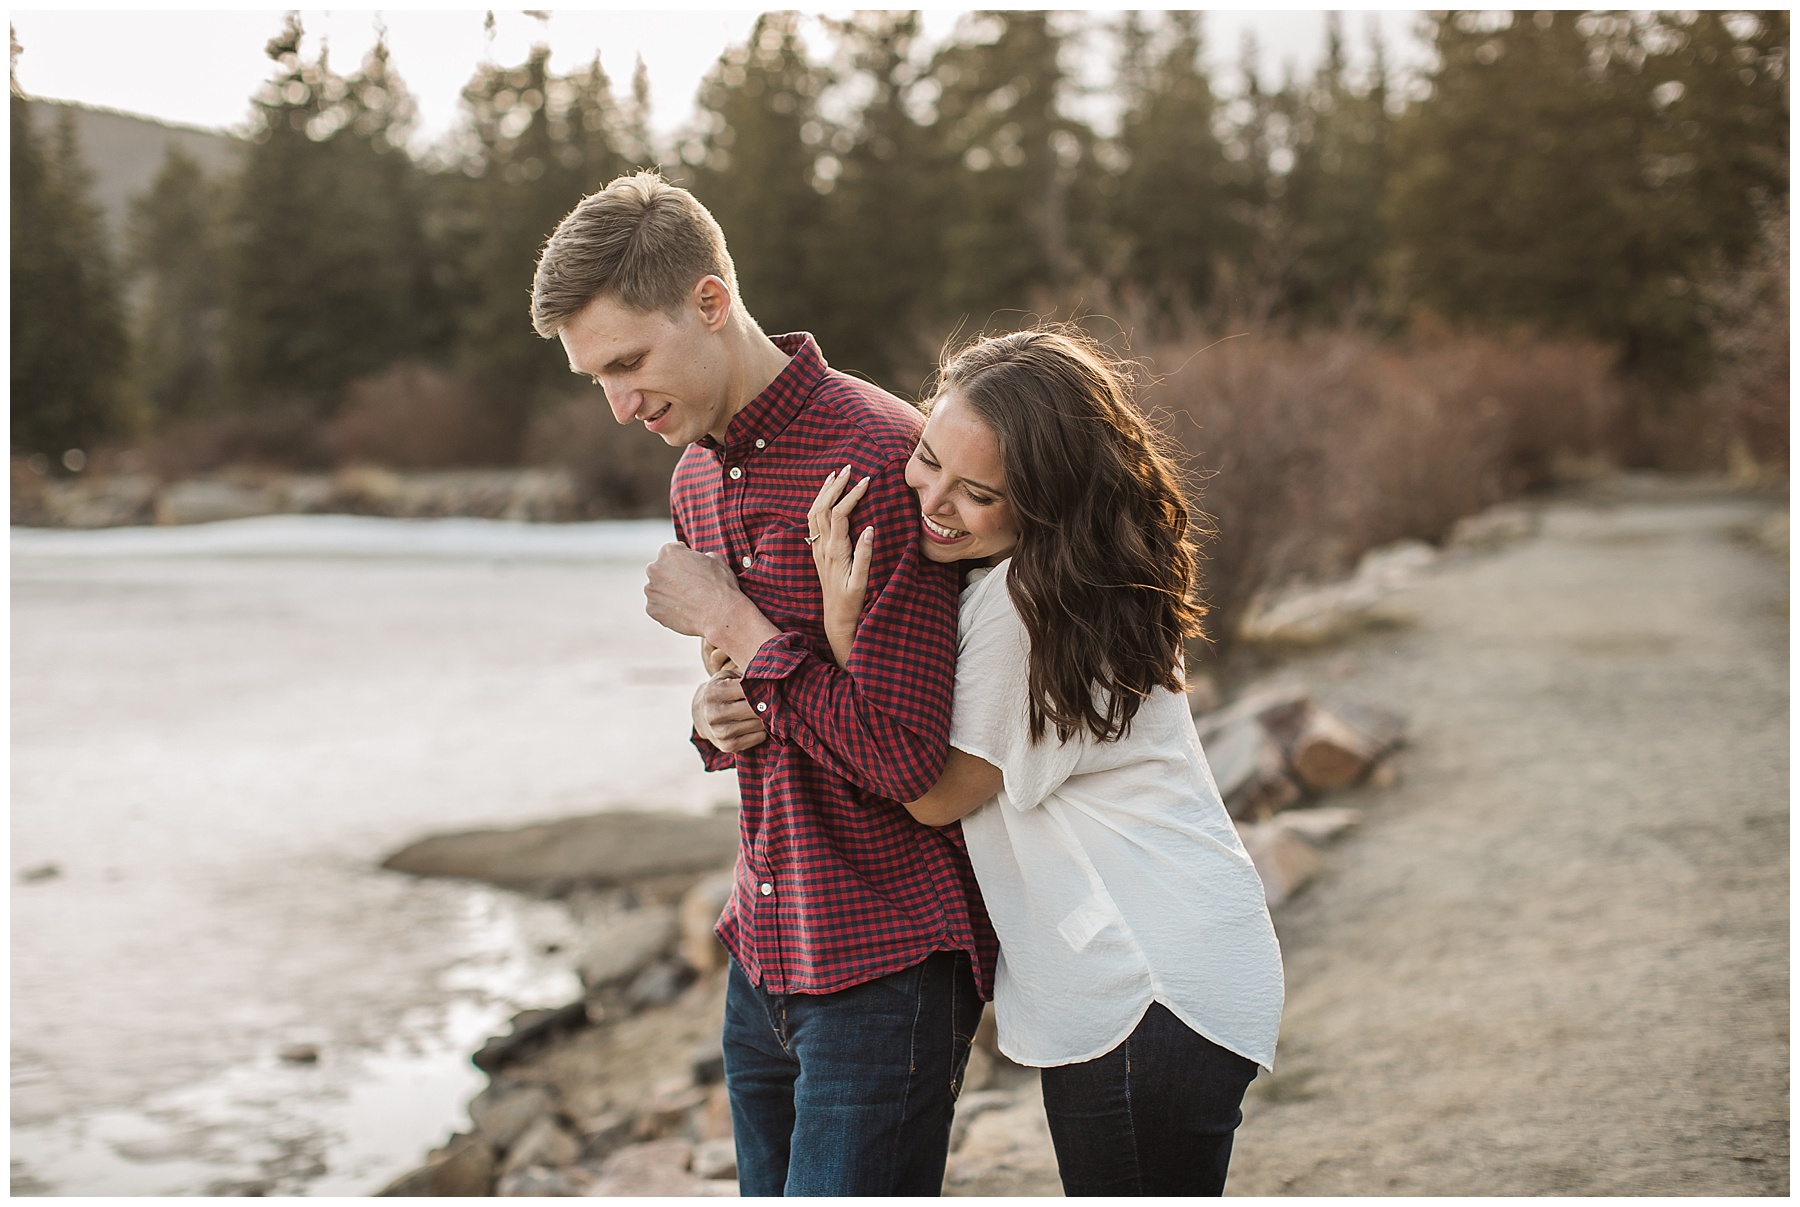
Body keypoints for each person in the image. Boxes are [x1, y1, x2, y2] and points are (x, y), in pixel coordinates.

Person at [704, 324, 1286, 1196]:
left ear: (1045, 503)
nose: (931, 500)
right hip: (1171, 966)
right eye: (928, 457)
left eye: (977, 492)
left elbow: (930, 793)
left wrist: (836, 628)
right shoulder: (1054, 581)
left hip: (1146, 985)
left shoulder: (1025, 612)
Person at [530, 171, 996, 1196]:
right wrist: (715, 715)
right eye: (593, 379)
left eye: (628, 362)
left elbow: (906, 755)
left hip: (884, 958)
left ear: (708, 301)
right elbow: (767, 697)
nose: (618, 405)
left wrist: (732, 621)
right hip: (764, 952)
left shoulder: (879, 457)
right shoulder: (694, 475)